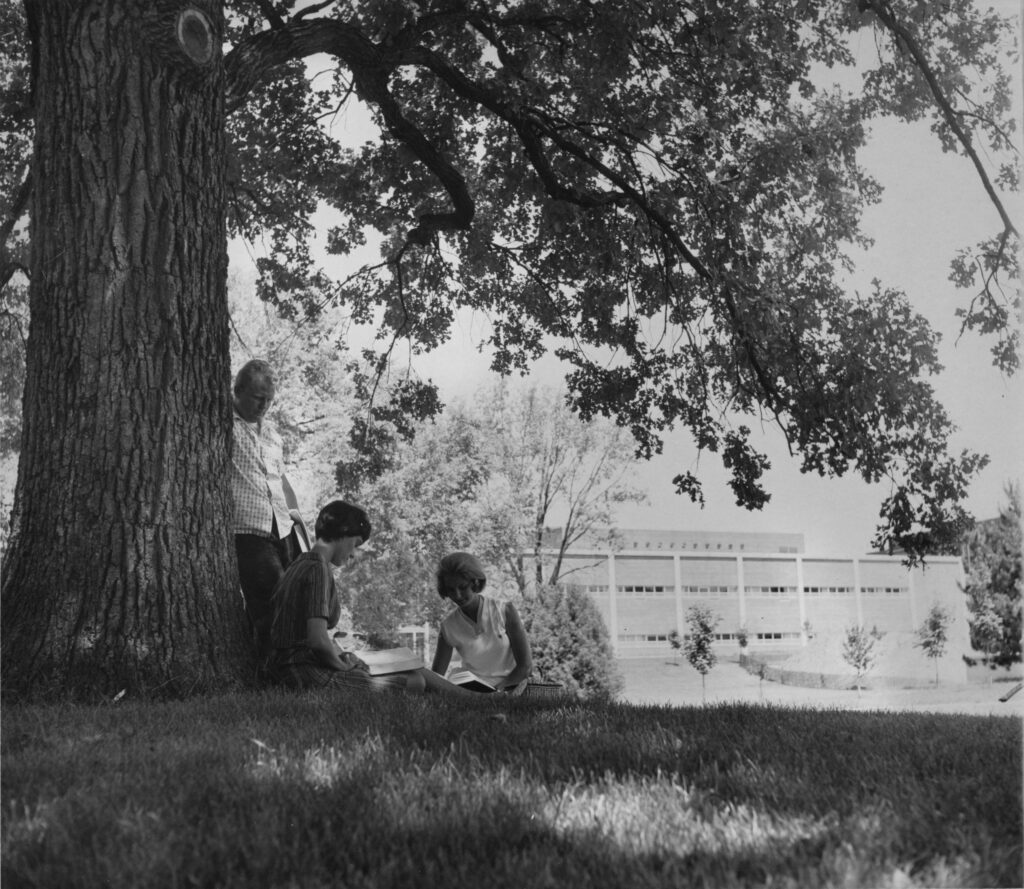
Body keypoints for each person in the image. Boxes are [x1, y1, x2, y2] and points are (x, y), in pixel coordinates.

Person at [266, 500, 475, 698]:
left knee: (409, 667)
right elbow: (318, 640)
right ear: (344, 534)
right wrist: (344, 667)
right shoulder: (317, 568)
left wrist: (342, 657)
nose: (354, 554)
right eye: (356, 544)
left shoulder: (299, 564)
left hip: (286, 666)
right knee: (415, 682)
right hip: (303, 673)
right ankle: (472, 698)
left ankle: (472, 697)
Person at [231, 358, 302, 657]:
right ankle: (273, 668)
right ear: (238, 390)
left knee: (297, 594)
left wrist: (297, 517)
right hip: (249, 528)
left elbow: (281, 479)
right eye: (258, 398)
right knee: (269, 600)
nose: (264, 406)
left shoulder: (272, 434)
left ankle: (299, 660)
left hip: (282, 526)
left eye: (269, 400)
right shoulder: (223, 424)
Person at [431, 552, 533, 693]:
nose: (457, 595)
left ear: (475, 582)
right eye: (451, 590)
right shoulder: (448, 627)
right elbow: (436, 678)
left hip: (510, 689)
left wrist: (498, 693)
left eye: (462, 587)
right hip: (469, 692)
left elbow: (525, 666)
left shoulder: (504, 611)